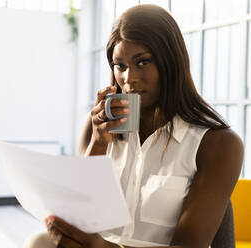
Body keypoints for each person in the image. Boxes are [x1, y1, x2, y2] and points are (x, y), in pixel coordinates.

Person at [24, 4, 244, 248]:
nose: (129, 79)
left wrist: (105, 247)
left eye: (142, 62)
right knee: (38, 242)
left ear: (171, 62)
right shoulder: (97, 127)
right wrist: (98, 144)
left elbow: (190, 245)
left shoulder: (218, 143)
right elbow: (80, 215)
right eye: (120, 66)